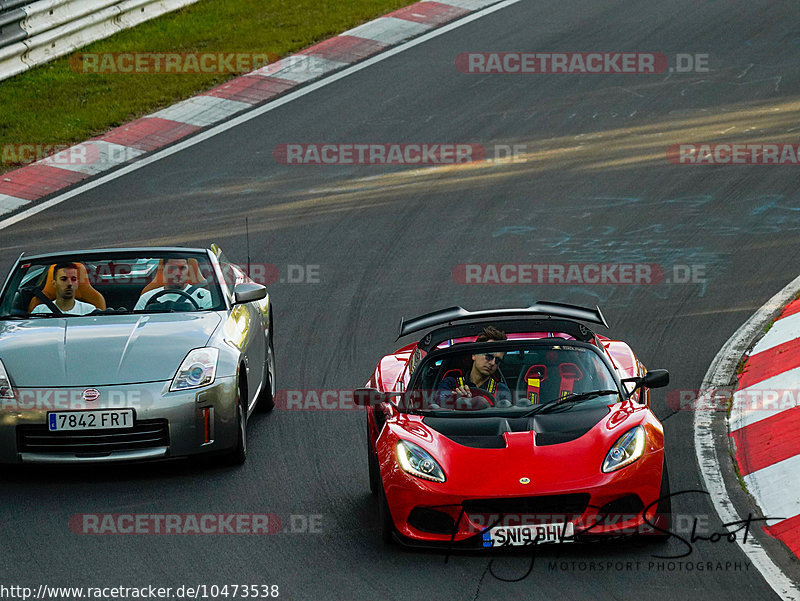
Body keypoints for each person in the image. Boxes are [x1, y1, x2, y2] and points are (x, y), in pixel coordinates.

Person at [436, 326, 512, 407]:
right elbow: (439, 402)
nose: (493, 363)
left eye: (497, 360)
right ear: (474, 355)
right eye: (488, 357)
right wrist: (455, 399)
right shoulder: (450, 383)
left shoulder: (501, 389)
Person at [134, 258, 212, 310]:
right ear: (163, 269)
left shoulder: (204, 297)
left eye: (182, 268)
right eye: (172, 268)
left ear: (188, 269)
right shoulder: (146, 298)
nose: (178, 273)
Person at [31, 263, 97, 316]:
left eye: (73, 279)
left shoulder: (89, 311)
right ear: (54, 283)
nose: (70, 283)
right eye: (64, 279)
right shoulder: (39, 311)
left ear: (77, 283)